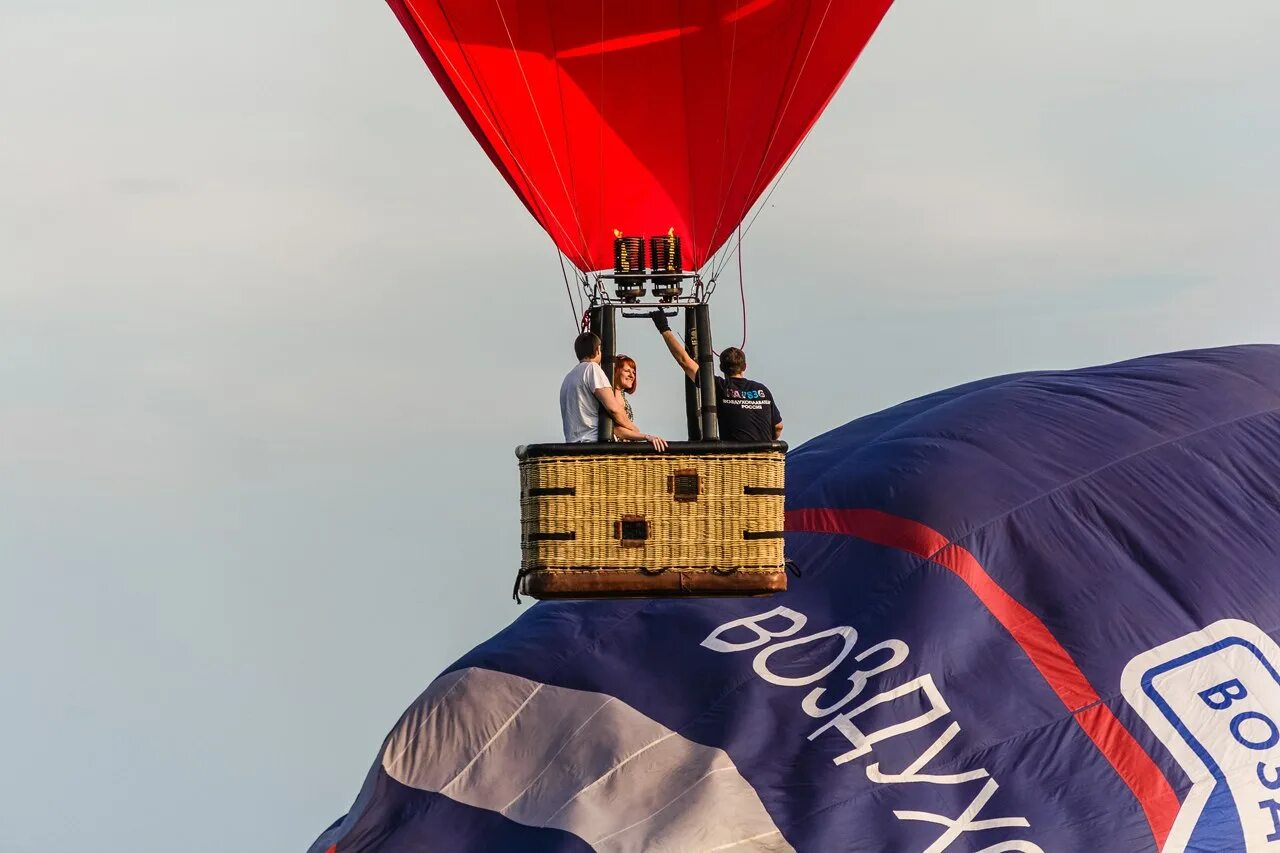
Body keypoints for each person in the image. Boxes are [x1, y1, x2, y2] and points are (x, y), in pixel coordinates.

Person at [650, 312, 782, 442]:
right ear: (745, 366)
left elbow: (684, 361)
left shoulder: (717, 386)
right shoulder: (762, 390)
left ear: (721, 368)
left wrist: (664, 327)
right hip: (765, 459)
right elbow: (778, 427)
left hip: (736, 460)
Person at [560, 332, 667, 450]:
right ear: (598, 350)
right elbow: (614, 409)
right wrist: (638, 432)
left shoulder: (569, 377)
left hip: (574, 446)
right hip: (593, 443)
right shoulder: (592, 369)